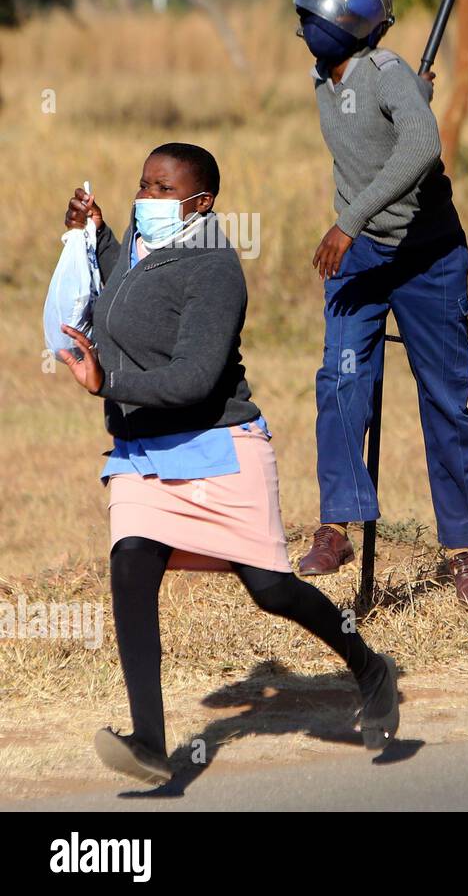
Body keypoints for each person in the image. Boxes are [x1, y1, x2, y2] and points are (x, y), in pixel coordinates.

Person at [59, 143, 400, 784]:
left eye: (162, 190)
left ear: (201, 203)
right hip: (143, 450)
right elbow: (125, 289)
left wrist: (107, 381)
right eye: (143, 185)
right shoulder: (137, 241)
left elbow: (193, 379)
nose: (147, 199)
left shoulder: (216, 270)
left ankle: (368, 666)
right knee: (131, 565)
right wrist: (95, 232)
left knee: (271, 589)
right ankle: (150, 744)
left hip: (219, 445)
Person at [291, 0, 468, 602]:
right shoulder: (329, 76)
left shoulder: (387, 73)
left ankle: (464, 549)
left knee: (444, 398)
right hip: (361, 259)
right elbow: (375, 134)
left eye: (314, 16)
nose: (306, 27)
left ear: (349, 23)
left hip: (428, 253)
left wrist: (347, 220)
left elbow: (421, 148)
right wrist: (416, 95)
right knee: (341, 378)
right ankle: (338, 523)